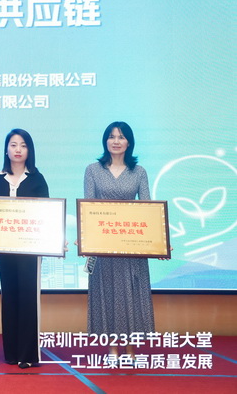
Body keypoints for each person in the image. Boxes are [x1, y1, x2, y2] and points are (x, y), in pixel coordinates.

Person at [84, 121, 155, 357]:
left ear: (129, 142)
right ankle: (113, 347)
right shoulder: (93, 170)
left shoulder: (139, 172)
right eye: (112, 136)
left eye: (121, 137)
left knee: (131, 295)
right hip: (103, 245)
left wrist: (158, 241)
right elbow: (88, 208)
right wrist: (85, 238)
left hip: (131, 244)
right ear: (105, 141)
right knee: (108, 294)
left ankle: (131, 348)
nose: (116, 141)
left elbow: (148, 209)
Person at [0, 128, 49, 369]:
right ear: (6, 149)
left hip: (30, 250)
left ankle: (28, 355)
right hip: (4, 248)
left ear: (29, 150)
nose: (18, 149)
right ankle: (11, 352)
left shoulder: (37, 179)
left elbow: (47, 214)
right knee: (10, 296)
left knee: (28, 298)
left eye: (23, 145)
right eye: (13, 144)